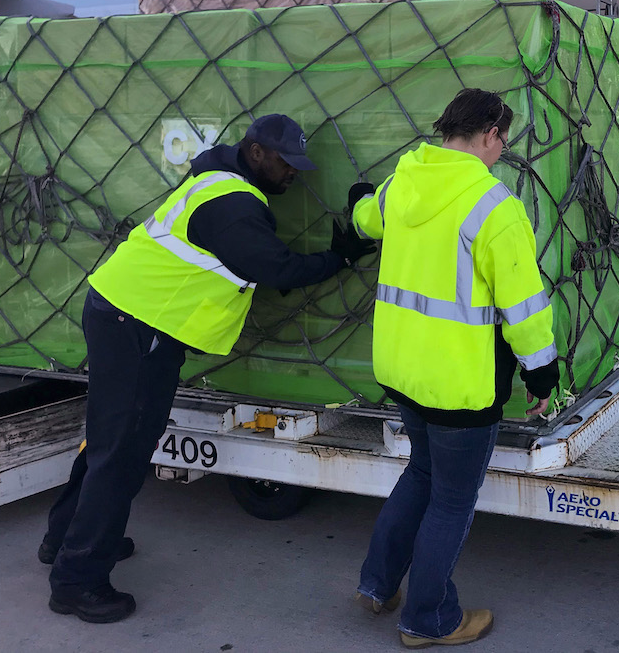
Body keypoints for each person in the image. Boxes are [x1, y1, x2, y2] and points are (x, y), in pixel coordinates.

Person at [42, 114, 375, 623]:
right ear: (257, 152)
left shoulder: (218, 181)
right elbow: (275, 269)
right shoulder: (233, 205)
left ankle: (66, 540)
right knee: (124, 452)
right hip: (139, 327)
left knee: (108, 442)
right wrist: (340, 257)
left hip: (126, 315)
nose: (294, 174)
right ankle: (77, 579)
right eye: (286, 163)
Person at [351, 88, 559, 649]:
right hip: (461, 386)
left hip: (403, 372)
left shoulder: (402, 183)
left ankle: (376, 586)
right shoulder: (494, 206)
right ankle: (428, 620)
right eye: (503, 141)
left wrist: (356, 202)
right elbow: (524, 307)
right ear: (490, 134)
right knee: (451, 499)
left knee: (421, 474)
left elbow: (366, 219)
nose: (502, 151)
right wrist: (542, 374)